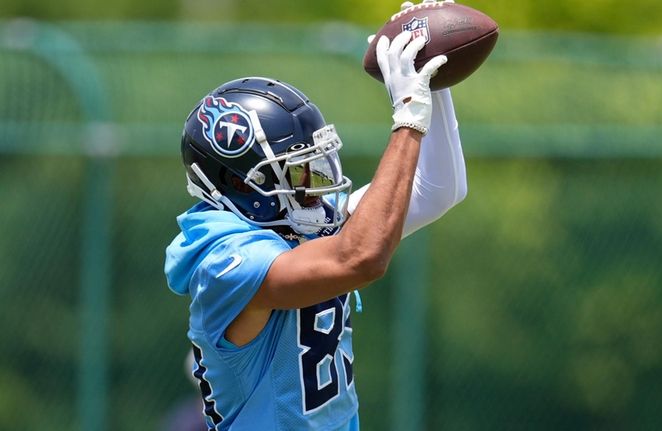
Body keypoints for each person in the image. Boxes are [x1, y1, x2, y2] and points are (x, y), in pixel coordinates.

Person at [164, 16, 467, 431]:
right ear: (242, 183)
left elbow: (437, 189)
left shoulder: (296, 222)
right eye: (295, 170)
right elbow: (360, 258)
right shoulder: (225, 262)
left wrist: (433, 74)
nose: (313, 183)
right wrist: (408, 119)